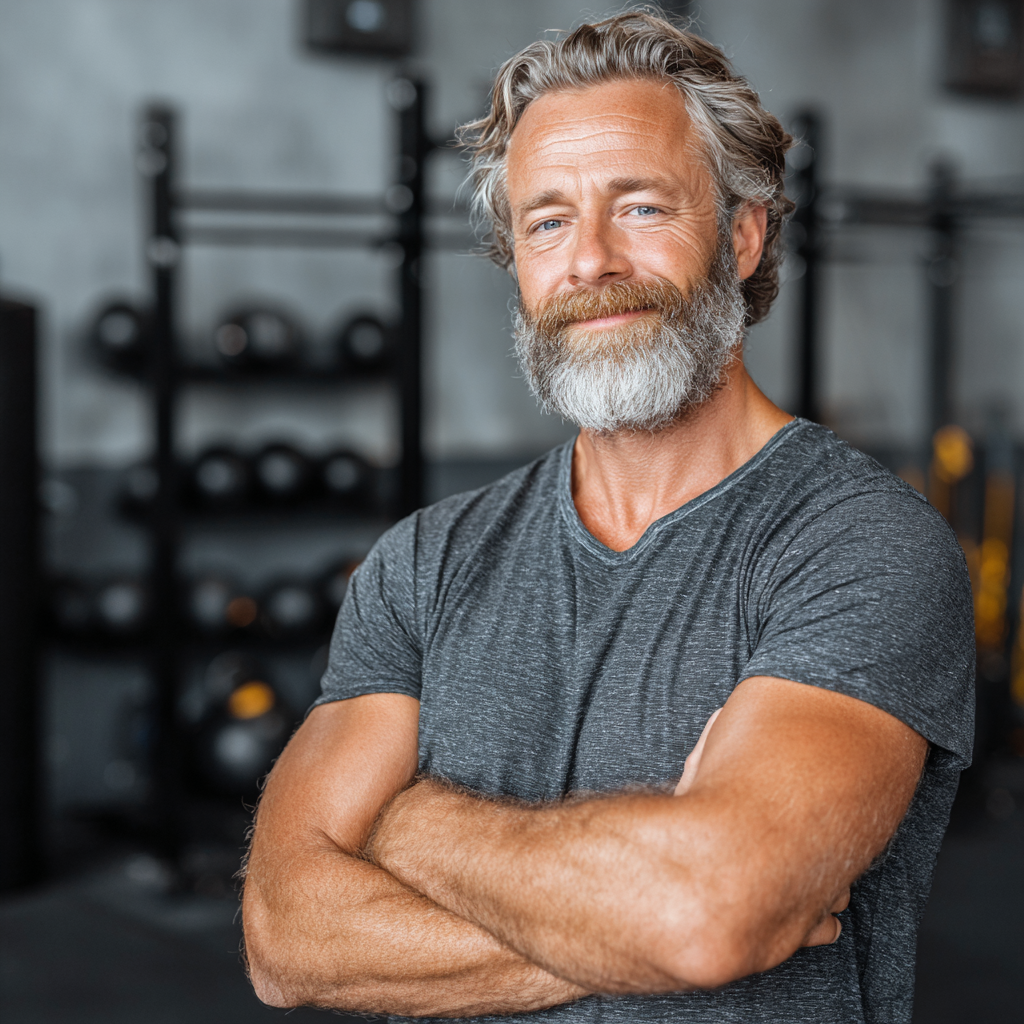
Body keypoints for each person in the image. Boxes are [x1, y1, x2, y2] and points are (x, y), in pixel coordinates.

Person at [241, 10, 974, 1023]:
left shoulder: (859, 546)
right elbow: (287, 936)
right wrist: (643, 925)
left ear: (744, 231)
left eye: (639, 207)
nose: (588, 261)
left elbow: (707, 913)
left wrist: (404, 827)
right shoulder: (423, 564)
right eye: (546, 221)